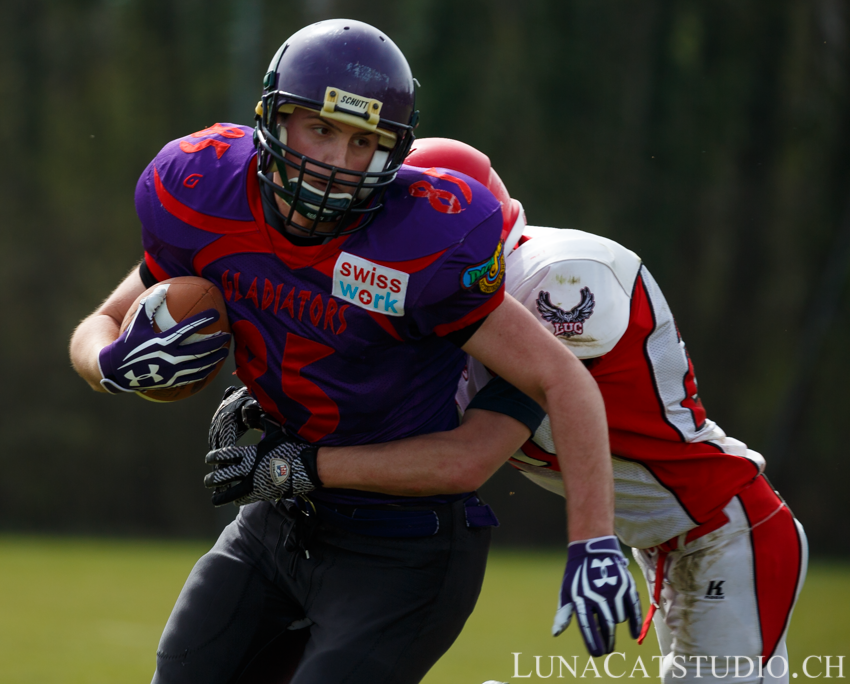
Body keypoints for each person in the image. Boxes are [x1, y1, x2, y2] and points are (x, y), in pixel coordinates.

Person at [69, 20, 626, 684]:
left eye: (364, 141)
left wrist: (593, 541)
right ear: (274, 118)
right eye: (321, 129)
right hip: (278, 525)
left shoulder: (426, 243)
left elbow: (557, 387)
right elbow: (98, 323)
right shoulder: (201, 191)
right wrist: (112, 365)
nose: (336, 159)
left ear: (394, 155)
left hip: (404, 548)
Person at [224, 138, 807, 684]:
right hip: (667, 541)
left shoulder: (559, 278)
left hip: (724, 531)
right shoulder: (445, 304)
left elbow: (469, 453)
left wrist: (298, 464)